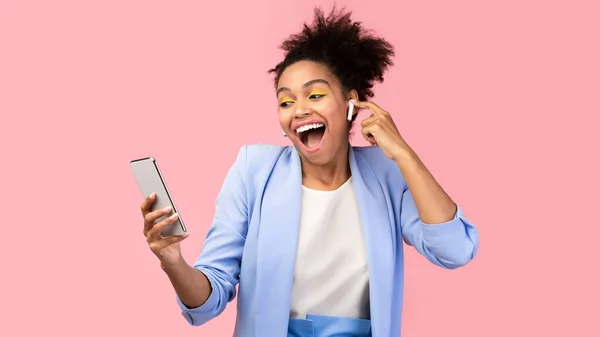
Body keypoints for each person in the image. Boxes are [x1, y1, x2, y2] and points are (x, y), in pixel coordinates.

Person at [140, 6, 479, 337]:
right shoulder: (254, 171)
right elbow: (207, 301)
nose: (299, 110)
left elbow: (454, 250)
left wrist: (404, 153)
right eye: (285, 102)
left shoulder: (387, 174)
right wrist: (173, 262)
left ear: (351, 103)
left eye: (315, 94)